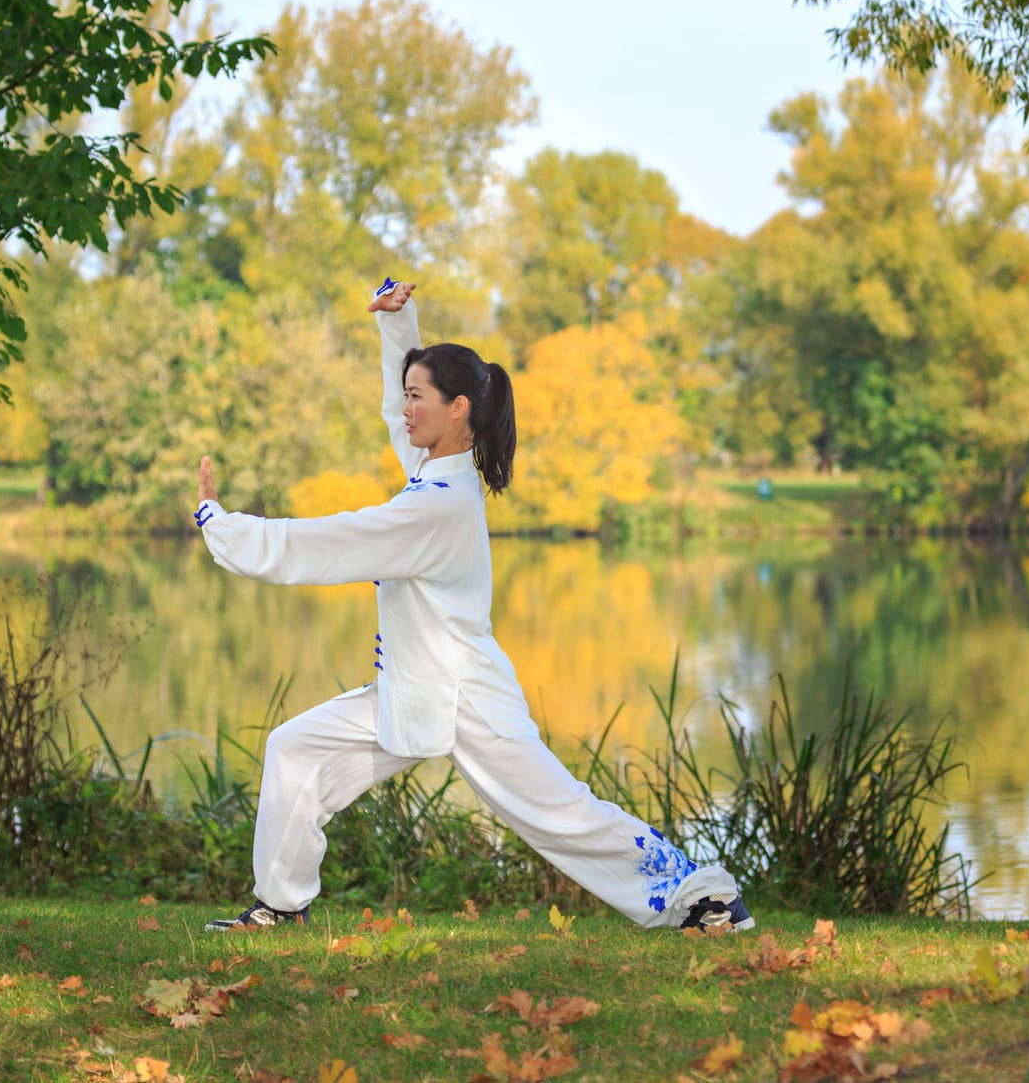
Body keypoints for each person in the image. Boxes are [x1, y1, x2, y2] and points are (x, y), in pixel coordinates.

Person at [192, 278, 752, 933]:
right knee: (295, 748)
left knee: (558, 810)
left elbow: (327, 541)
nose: (404, 411)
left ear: (457, 409)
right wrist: (398, 329)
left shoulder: (436, 505)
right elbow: (392, 415)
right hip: (414, 688)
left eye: (417, 399)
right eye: (405, 397)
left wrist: (221, 524)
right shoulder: (436, 472)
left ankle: (703, 898)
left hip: (466, 695)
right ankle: (280, 904)